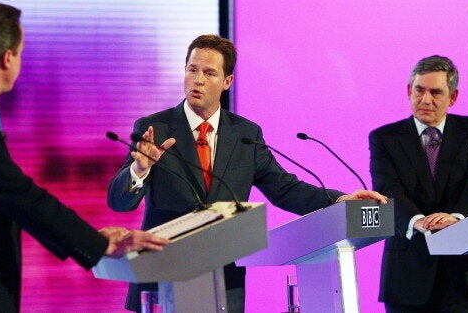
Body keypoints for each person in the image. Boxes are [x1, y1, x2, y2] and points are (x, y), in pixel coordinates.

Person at [0, 3, 169, 312]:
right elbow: (19, 195)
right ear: (7, 58)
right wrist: (100, 245)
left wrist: (91, 239)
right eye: (21, 52)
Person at [108, 34, 388, 313]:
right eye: (192, 70)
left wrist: (339, 202)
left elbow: (284, 188)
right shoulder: (155, 127)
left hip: (223, 279)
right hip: (163, 276)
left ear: (227, 81)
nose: (198, 80)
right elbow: (119, 202)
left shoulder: (245, 134)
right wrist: (139, 170)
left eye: (209, 73)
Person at [369, 55, 468, 312]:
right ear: (409, 91)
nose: (426, 100)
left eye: (436, 92)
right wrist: (418, 221)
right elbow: (387, 187)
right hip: (407, 272)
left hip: (464, 274)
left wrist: (457, 219)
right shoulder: (385, 138)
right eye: (419, 90)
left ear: (453, 97)